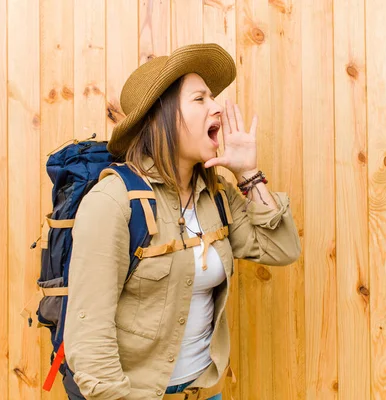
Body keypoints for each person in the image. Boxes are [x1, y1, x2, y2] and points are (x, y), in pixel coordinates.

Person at [63, 43, 301, 400]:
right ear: (163, 116)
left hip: (205, 393)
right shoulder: (112, 202)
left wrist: (248, 173)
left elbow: (281, 248)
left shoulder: (216, 195)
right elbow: (89, 342)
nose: (217, 106)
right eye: (200, 99)